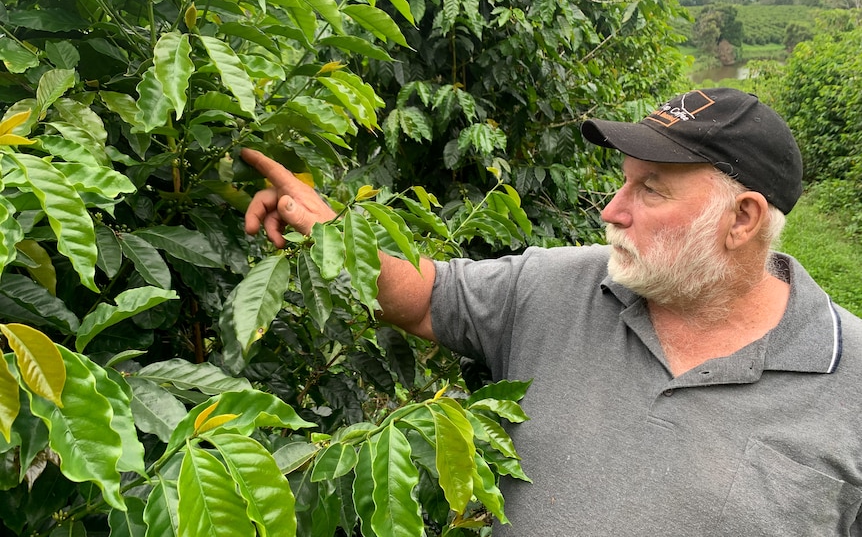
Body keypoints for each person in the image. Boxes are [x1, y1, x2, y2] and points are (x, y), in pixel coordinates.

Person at [242, 88, 862, 536]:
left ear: (742, 219)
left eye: (650, 189)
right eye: (623, 182)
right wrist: (328, 231)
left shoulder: (850, 381)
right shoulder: (556, 285)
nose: (611, 212)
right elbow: (425, 295)